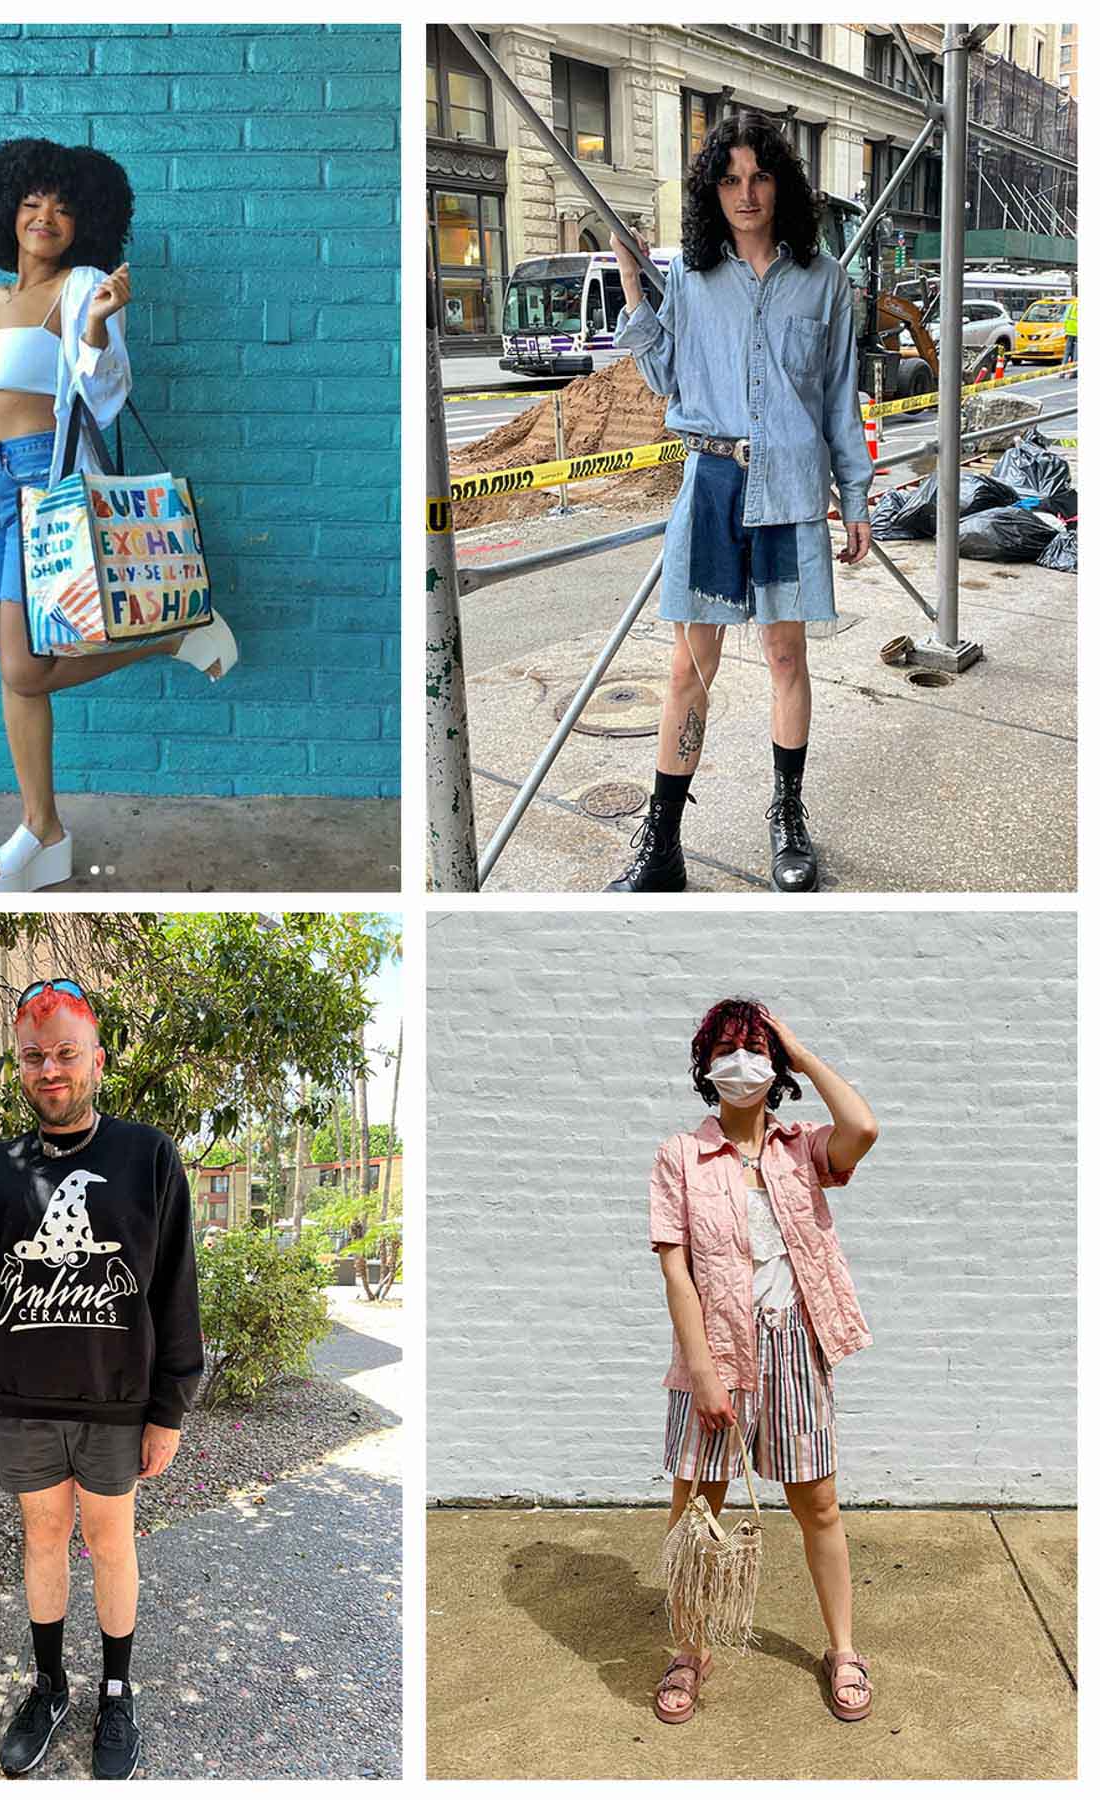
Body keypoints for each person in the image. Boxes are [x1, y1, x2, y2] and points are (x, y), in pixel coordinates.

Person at [0, 138, 238, 894]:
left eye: (60, 205)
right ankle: (42, 830)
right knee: (15, 675)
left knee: (24, 666)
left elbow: (106, 394)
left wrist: (93, 331)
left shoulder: (84, 284)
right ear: (6, 212)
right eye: (30, 202)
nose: (44, 216)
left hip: (41, 485)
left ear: (83, 220)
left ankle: (176, 634)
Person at [0, 977, 202, 1779]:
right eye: (34, 1057)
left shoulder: (146, 1155)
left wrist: (171, 1407)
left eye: (66, 1054)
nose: (51, 1070)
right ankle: (49, 1685)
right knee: (44, 1537)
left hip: (116, 1403)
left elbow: (175, 1288)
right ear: (19, 1068)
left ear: (97, 1062)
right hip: (24, 1400)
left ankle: (116, 1692)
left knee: (109, 1543)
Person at [607, 113, 874, 895]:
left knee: (786, 658)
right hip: (714, 484)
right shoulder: (692, 279)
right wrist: (633, 290)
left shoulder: (823, 279)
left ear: (782, 184)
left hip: (790, 491)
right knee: (691, 669)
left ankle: (788, 815)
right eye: (729, 179)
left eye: (759, 177)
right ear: (711, 191)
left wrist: (855, 495)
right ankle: (663, 845)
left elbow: (837, 401)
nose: (746, 193)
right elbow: (665, 385)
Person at [647, 998, 878, 1726]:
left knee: (819, 1506)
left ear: (772, 1066)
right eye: (726, 1046)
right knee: (695, 1512)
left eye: (754, 1049)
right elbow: (676, 1272)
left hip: (794, 1347)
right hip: (714, 1352)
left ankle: (842, 1650)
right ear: (705, 1063)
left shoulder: (802, 1148)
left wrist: (801, 1051)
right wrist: (706, 1372)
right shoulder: (679, 1156)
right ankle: (689, 1649)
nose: (739, 1061)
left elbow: (864, 1128)